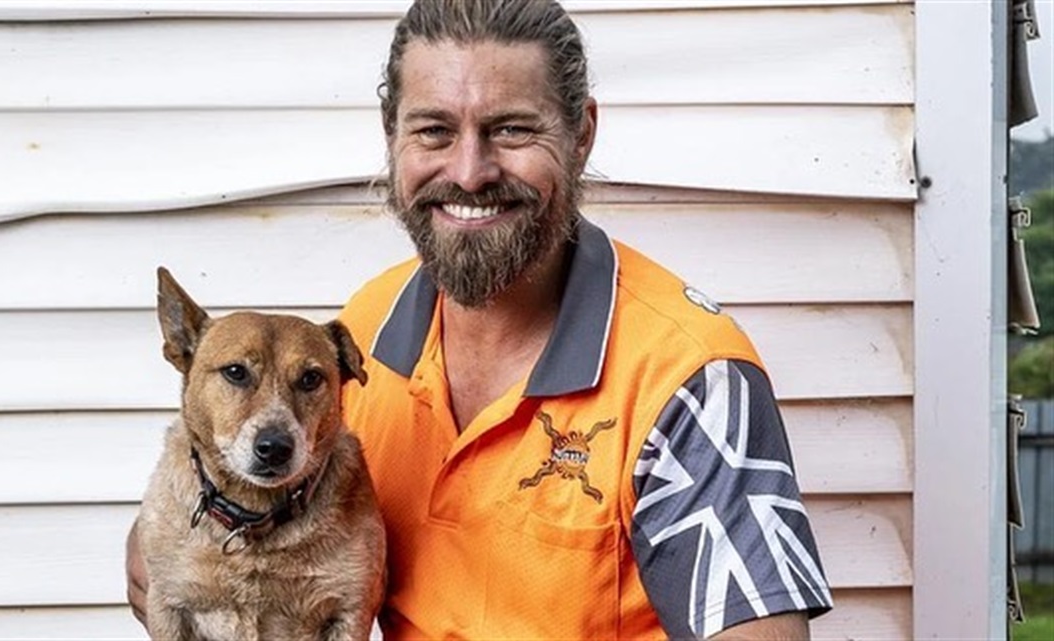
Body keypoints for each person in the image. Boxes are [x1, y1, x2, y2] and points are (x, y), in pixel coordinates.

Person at [127, 0, 833, 638]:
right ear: (392, 136)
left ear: (581, 133)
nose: (469, 171)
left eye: (511, 129)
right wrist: (170, 533)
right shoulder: (359, 336)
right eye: (435, 131)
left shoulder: (689, 376)